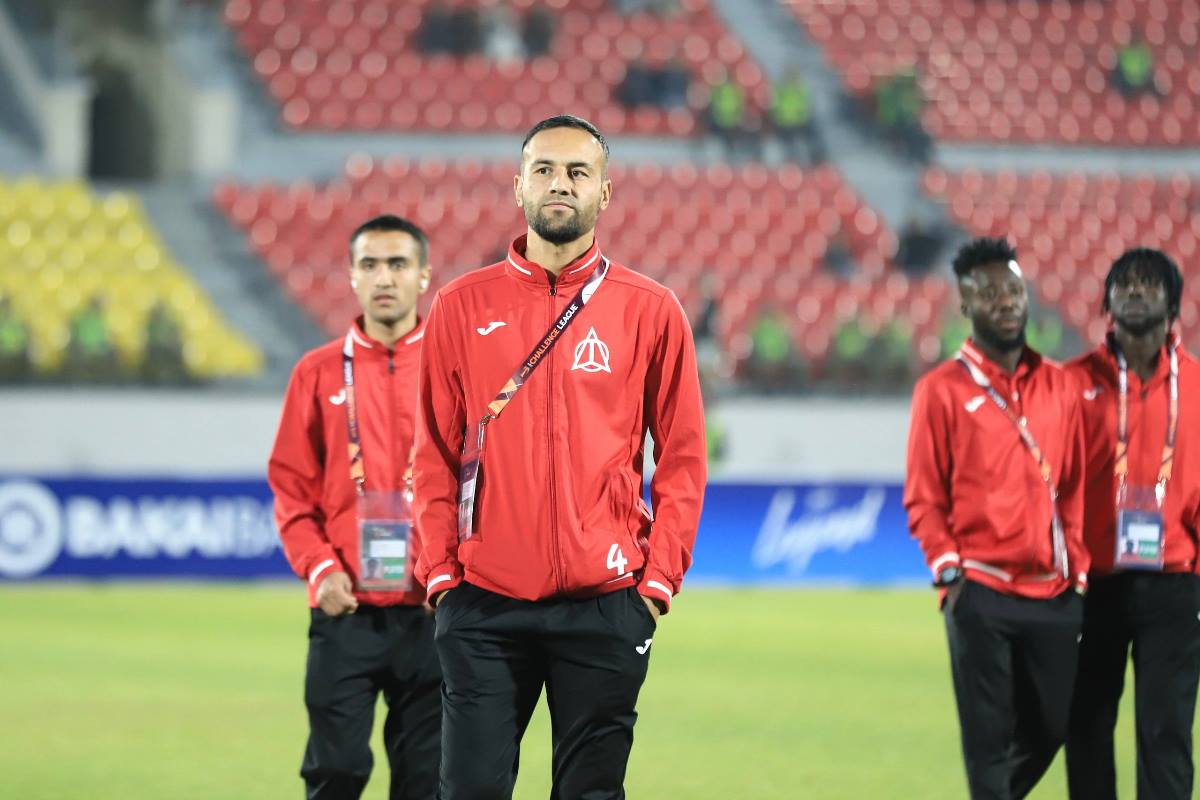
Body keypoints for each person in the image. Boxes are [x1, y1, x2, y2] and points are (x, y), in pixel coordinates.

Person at [412, 114, 707, 799]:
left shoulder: (651, 310)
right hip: (483, 604)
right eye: (544, 169)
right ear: (519, 186)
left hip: (606, 603)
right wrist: (441, 577)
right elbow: (432, 454)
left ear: (605, 192)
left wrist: (655, 585)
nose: (560, 184)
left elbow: (683, 458)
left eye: (579, 172)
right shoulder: (460, 305)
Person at [904, 236, 1089, 799]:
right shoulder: (939, 390)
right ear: (965, 304)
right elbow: (924, 495)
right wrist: (949, 571)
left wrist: (1079, 570)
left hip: (1054, 592)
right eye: (988, 294)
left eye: (1013, 289)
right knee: (987, 743)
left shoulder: (1061, 384)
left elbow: (1077, 485)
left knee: (1056, 725)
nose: (1005, 301)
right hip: (980, 589)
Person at [267, 215, 440, 800]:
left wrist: (458, 571)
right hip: (345, 609)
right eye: (370, 265)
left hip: (433, 611)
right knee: (335, 772)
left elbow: (484, 483)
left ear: (424, 276)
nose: (384, 278)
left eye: (398, 264)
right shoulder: (316, 373)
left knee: (426, 783)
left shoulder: (455, 368)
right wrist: (320, 568)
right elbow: (291, 487)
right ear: (351, 276)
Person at [1064, 248, 1200, 800]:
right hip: (1093, 583)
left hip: (1175, 584)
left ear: (1174, 303)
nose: (1135, 292)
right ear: (1107, 303)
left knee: (1167, 733)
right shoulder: (1071, 384)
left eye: (1148, 284)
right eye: (1124, 284)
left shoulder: (1197, 385)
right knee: (1086, 727)